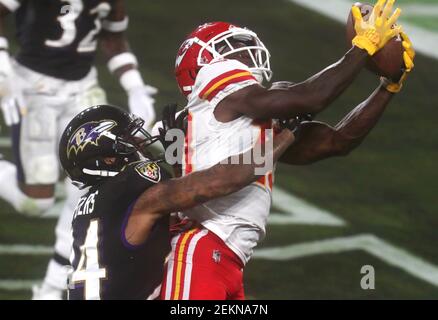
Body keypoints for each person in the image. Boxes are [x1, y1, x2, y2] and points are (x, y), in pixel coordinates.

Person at [159, 0, 415, 299]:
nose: (243, 54)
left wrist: (388, 87)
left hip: (229, 257)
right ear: (200, 67)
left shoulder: (249, 116)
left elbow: (338, 141)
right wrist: (363, 46)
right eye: (231, 48)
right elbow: (309, 98)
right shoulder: (214, 84)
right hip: (200, 247)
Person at [0, 0, 156, 299]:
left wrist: (134, 85)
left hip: (83, 90)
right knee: (36, 202)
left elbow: (113, 37)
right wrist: (3, 71)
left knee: (91, 183)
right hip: (33, 87)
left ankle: (51, 288)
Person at [60, 104, 296, 300]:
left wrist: (176, 155)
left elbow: (175, 206)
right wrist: (285, 136)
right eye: (129, 140)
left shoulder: (95, 205)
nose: (140, 145)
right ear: (109, 158)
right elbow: (221, 182)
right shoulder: (131, 188)